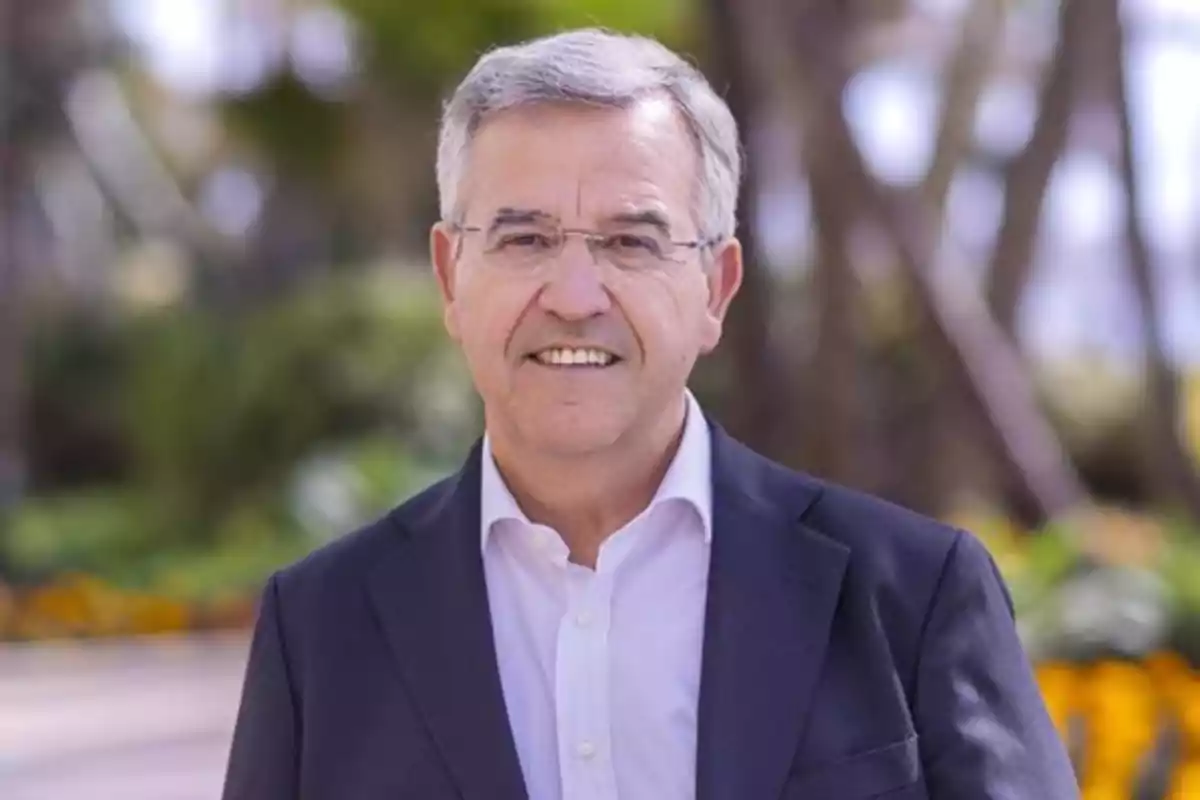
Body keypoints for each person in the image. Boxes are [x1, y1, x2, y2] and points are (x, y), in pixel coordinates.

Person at [221, 27, 1078, 800]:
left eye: (631, 241)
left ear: (716, 286)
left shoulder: (913, 599)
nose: (574, 295)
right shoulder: (320, 632)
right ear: (450, 277)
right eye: (525, 239)